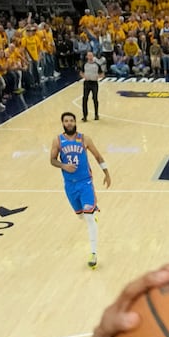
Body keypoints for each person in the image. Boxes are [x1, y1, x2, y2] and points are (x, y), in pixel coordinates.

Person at [49, 112, 110, 269]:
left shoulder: (84, 139)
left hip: (85, 183)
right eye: (66, 121)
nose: (69, 123)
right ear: (63, 123)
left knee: (89, 218)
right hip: (70, 185)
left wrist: (106, 173)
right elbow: (52, 160)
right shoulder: (57, 140)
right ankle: (91, 215)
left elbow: (97, 156)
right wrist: (64, 166)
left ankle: (93, 253)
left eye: (71, 120)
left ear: (75, 122)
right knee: (81, 216)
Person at [81, 49, 104, 121]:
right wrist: (84, 76)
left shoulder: (97, 65)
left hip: (94, 83)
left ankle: (96, 114)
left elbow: (102, 74)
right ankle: (85, 116)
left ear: (93, 56)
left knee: (95, 98)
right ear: (87, 56)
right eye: (89, 55)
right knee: (85, 98)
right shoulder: (84, 64)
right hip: (87, 83)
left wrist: (98, 77)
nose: (90, 57)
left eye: (91, 55)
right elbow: (81, 72)